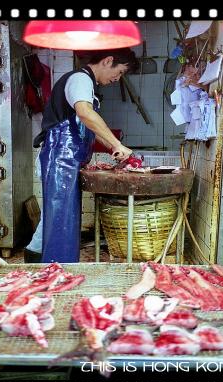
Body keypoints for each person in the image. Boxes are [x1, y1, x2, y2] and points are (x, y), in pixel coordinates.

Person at [24, 48, 139, 263]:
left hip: (67, 159)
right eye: (120, 72)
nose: (117, 78)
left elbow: (90, 128)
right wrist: (116, 143)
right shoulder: (80, 79)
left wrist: (115, 149)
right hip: (60, 157)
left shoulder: (88, 86)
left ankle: (38, 261)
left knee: (59, 215)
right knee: (61, 217)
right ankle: (58, 273)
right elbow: (85, 114)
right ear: (108, 61)